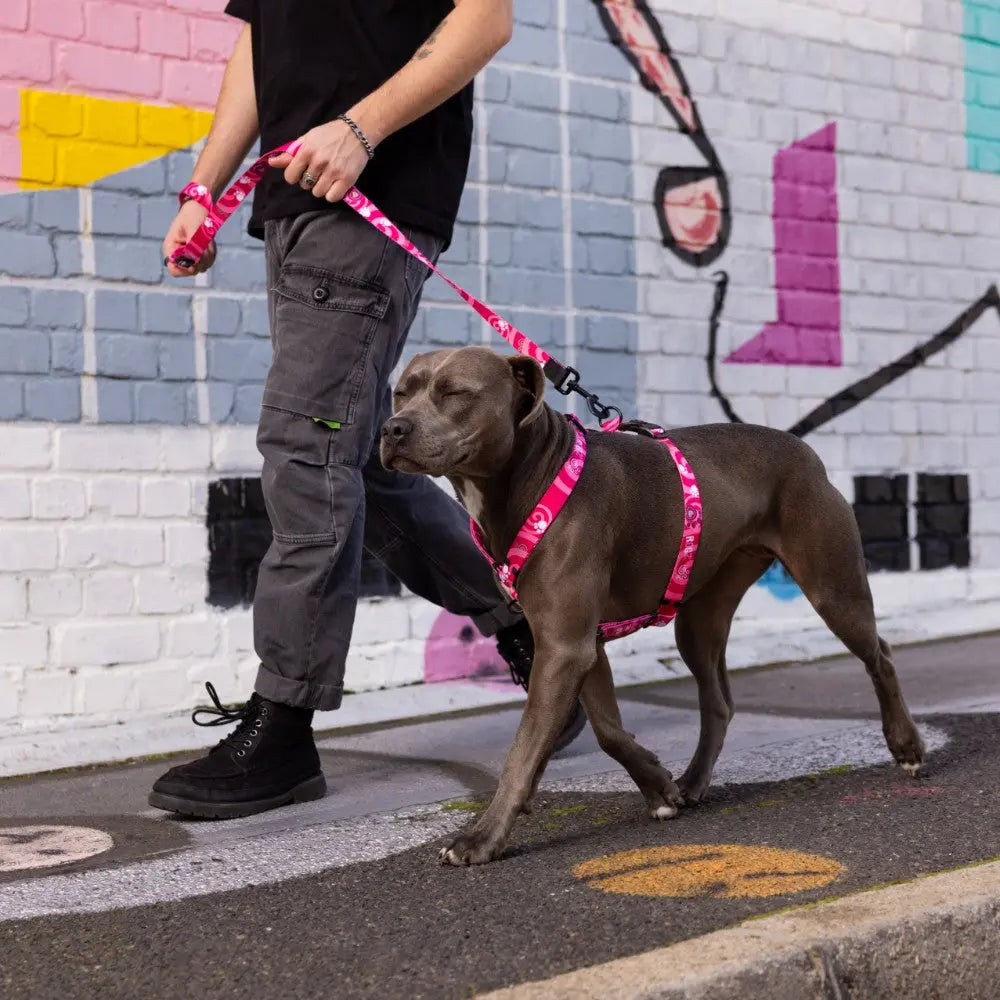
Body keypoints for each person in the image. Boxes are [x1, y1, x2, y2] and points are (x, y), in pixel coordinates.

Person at [151, 0, 586, 819]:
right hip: (293, 206)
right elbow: (262, 40)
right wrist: (205, 186)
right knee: (353, 457)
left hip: (368, 195)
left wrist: (360, 129)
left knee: (305, 450)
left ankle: (284, 724)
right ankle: (532, 633)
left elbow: (487, 17)